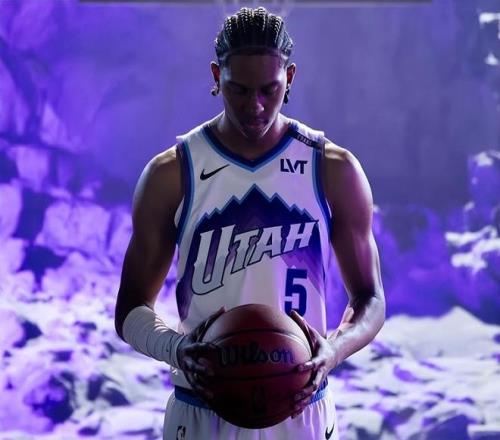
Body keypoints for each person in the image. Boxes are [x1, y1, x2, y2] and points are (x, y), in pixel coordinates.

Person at [114, 6, 385, 440]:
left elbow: (370, 299)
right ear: (215, 76)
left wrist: (333, 350)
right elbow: (129, 309)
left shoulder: (332, 168)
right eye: (238, 89)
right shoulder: (173, 172)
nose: (254, 105)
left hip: (301, 408)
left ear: (290, 78)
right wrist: (177, 349)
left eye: (269, 89)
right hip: (202, 408)